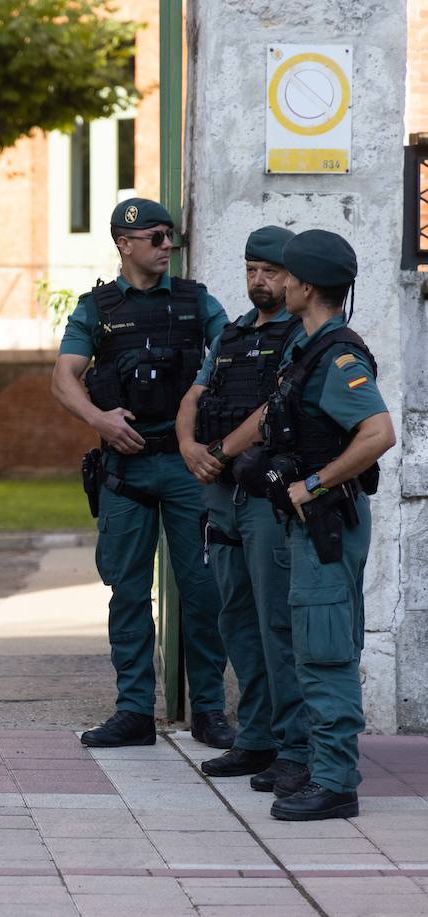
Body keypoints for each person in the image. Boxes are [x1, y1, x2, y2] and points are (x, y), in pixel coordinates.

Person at [209, 230, 394, 821]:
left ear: (306, 285)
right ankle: (318, 766)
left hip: (325, 524)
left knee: (325, 647)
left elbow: (379, 434)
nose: (276, 284)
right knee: (311, 642)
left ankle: (336, 781)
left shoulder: (339, 356)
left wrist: (313, 485)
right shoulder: (306, 351)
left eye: (284, 275)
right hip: (307, 526)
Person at [51, 197, 234, 749]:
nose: (166, 247)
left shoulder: (197, 302)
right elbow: (64, 377)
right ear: (124, 243)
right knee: (127, 591)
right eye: (155, 238)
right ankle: (134, 711)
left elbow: (235, 355)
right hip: (125, 468)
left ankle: (208, 711)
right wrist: (99, 420)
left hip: (186, 465)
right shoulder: (97, 308)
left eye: (169, 237)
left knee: (203, 591)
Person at [177, 226, 309, 793]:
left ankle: (293, 745)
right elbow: (193, 397)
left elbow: (274, 406)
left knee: (276, 621)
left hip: (262, 497)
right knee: (235, 617)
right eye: (253, 269)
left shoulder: (301, 337)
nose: (260, 280)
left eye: (271, 272)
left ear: (293, 279)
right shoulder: (229, 335)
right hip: (219, 495)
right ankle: (254, 737)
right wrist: (187, 448)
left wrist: (217, 452)